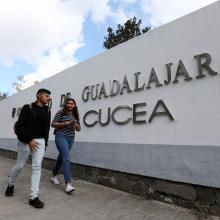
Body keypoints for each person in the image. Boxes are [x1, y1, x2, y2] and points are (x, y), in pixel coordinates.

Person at [5, 88, 51, 209]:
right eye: (46, 95)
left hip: (40, 142)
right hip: (26, 141)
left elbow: (46, 129)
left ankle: (33, 197)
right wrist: (29, 140)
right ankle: (11, 184)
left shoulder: (48, 110)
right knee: (20, 165)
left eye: (49, 96)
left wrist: (45, 143)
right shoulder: (28, 108)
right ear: (39, 96)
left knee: (37, 167)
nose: (48, 98)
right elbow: (20, 127)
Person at [51, 98, 81, 194]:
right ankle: (68, 184)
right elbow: (53, 124)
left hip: (71, 138)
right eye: (68, 103)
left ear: (74, 105)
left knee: (62, 157)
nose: (70, 105)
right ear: (65, 105)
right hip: (61, 137)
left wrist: (75, 124)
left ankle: (54, 175)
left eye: (72, 104)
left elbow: (79, 129)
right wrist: (66, 123)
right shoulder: (60, 112)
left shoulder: (75, 115)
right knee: (66, 158)